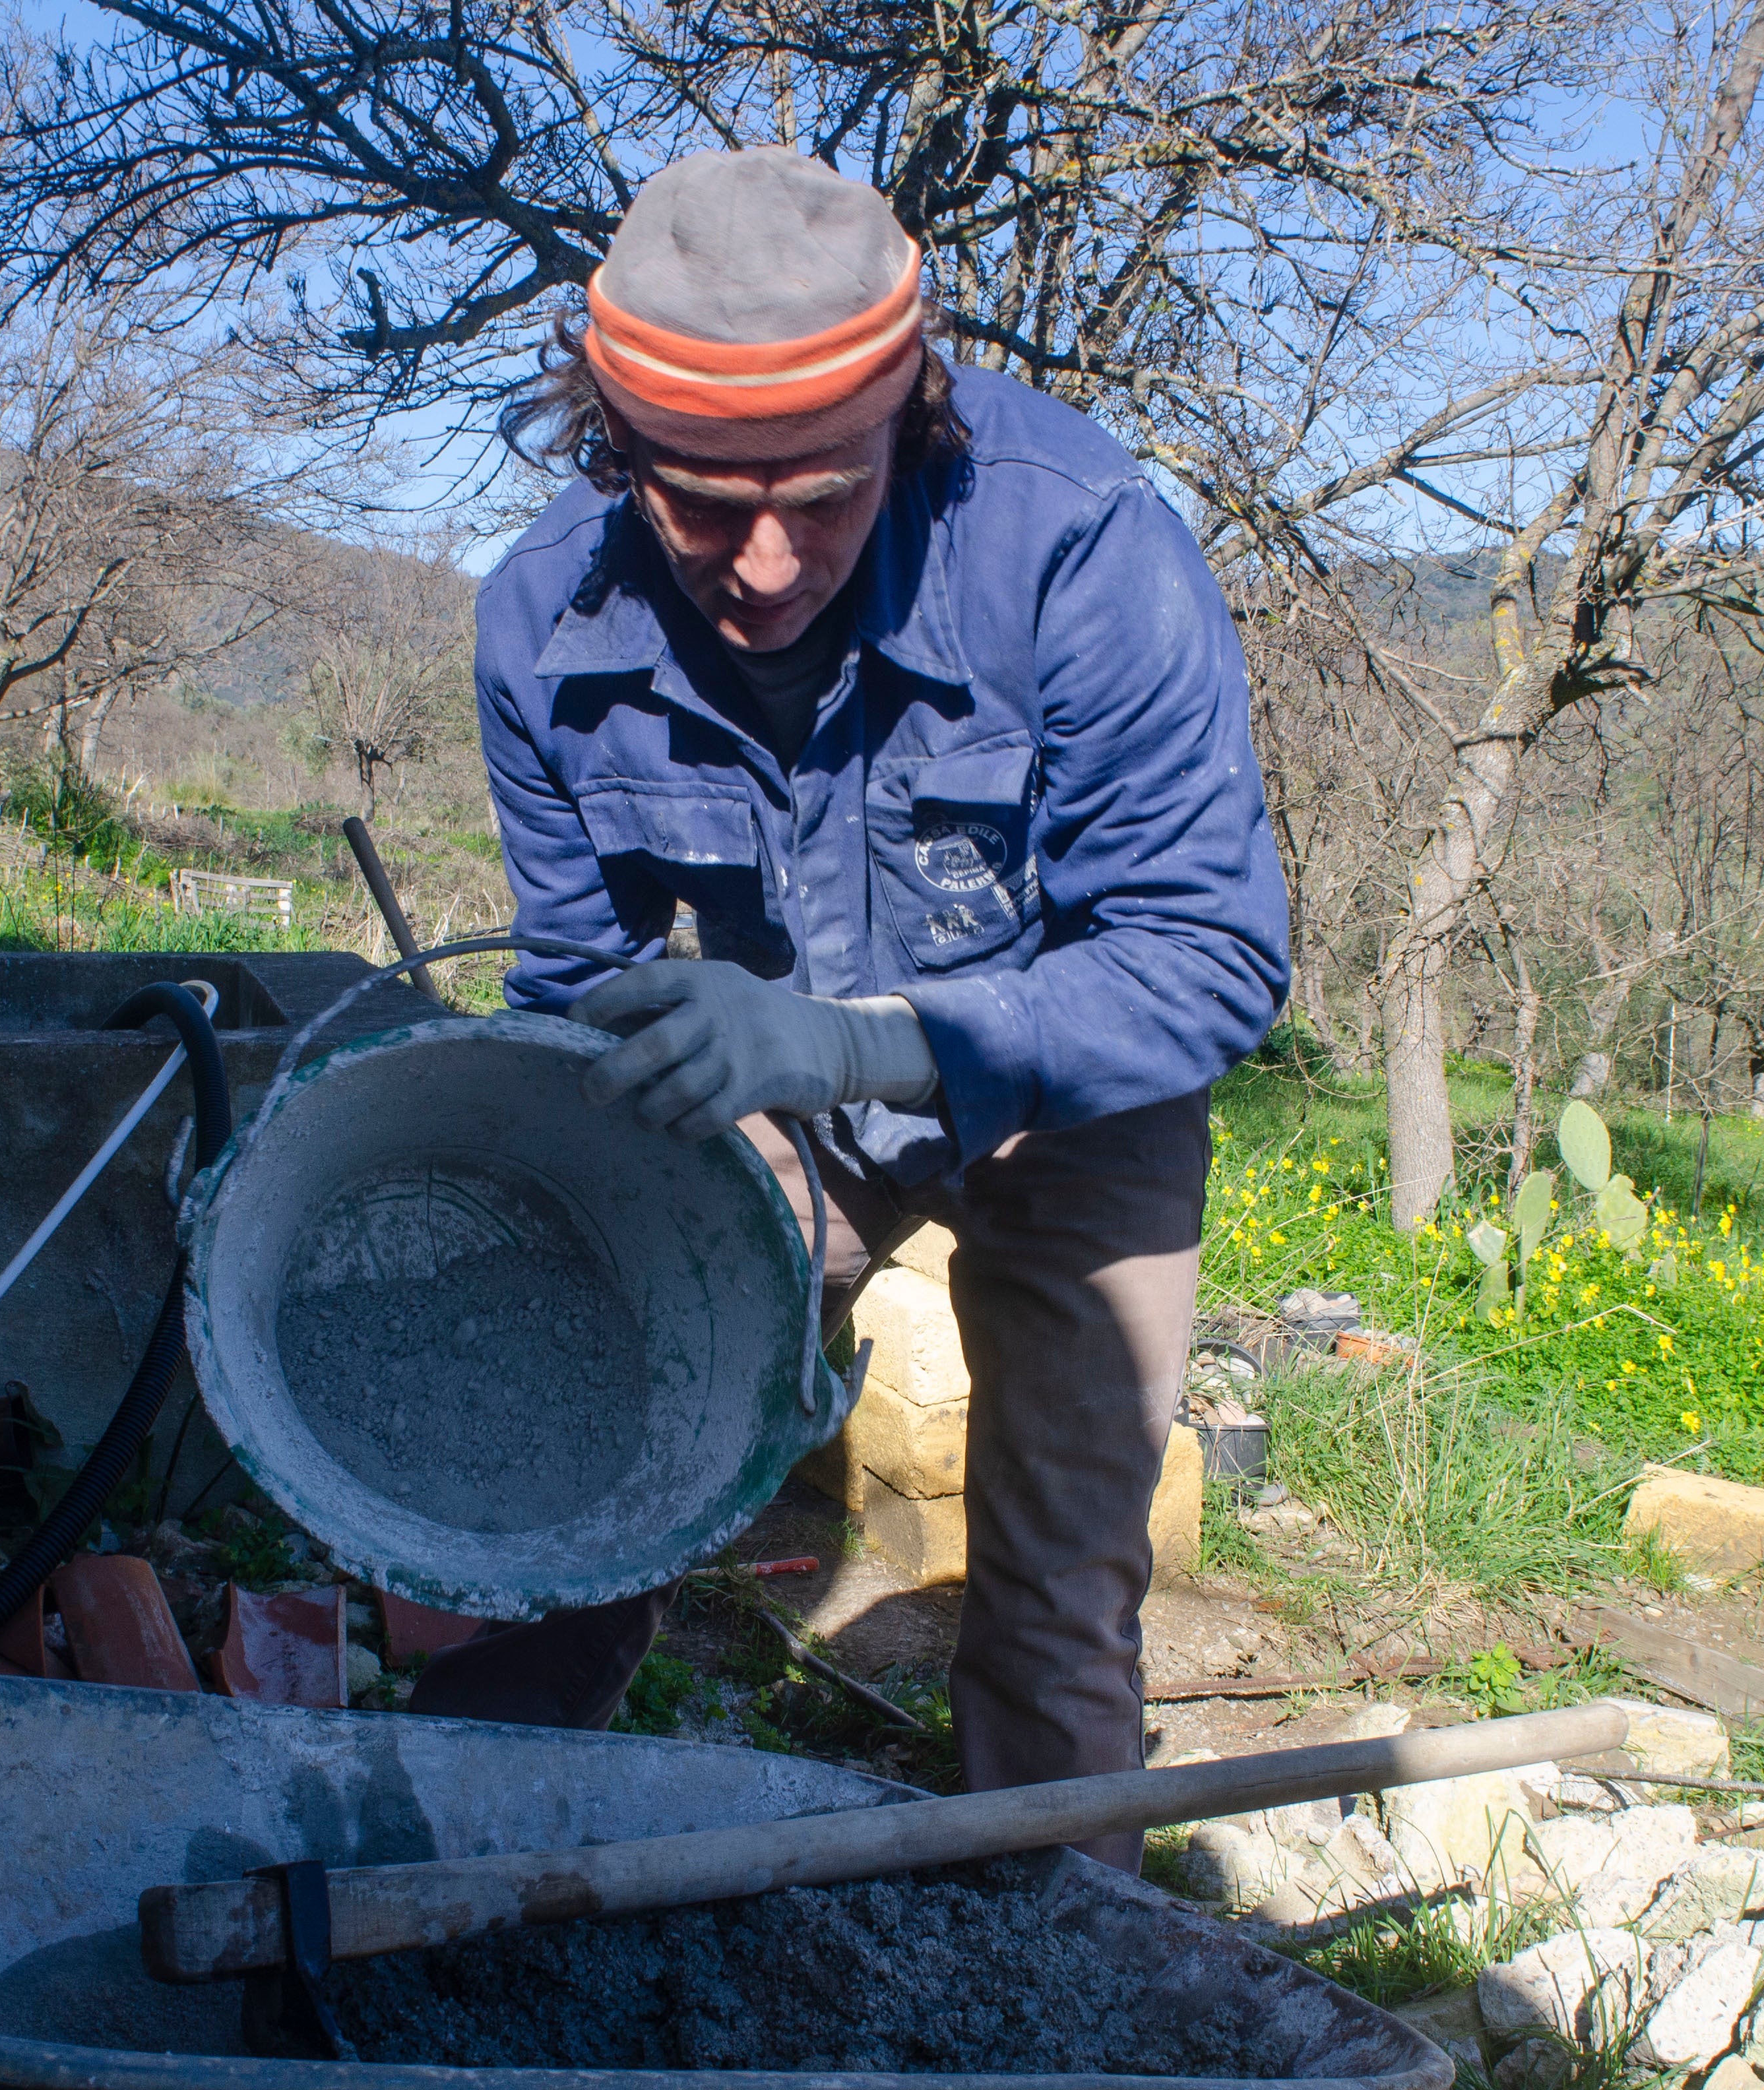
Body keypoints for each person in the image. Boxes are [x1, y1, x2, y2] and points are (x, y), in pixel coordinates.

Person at [407, 146, 1289, 1866]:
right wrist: (564, 1249)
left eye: (821, 497)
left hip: (1079, 1095)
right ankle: (468, 1865)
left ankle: (1053, 1971)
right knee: (588, 1441)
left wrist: (860, 1040)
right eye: (699, 504)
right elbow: (578, 988)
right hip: (778, 1093)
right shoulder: (545, 621)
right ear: (613, 446)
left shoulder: (1082, 549)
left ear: (910, 419)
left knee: (1055, 1598)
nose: (761, 563)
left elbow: (1207, 958)